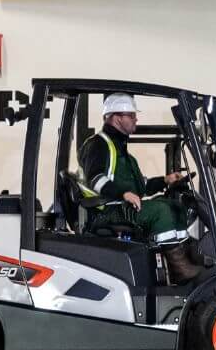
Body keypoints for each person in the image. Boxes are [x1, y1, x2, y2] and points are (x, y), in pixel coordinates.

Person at [78, 93, 203, 283]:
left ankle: (185, 258)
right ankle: (178, 269)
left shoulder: (122, 151)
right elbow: (95, 179)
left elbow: (141, 187)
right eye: (132, 115)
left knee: (175, 206)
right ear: (117, 117)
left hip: (123, 207)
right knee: (160, 211)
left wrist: (165, 180)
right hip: (107, 211)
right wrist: (123, 193)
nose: (136, 119)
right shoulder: (98, 145)